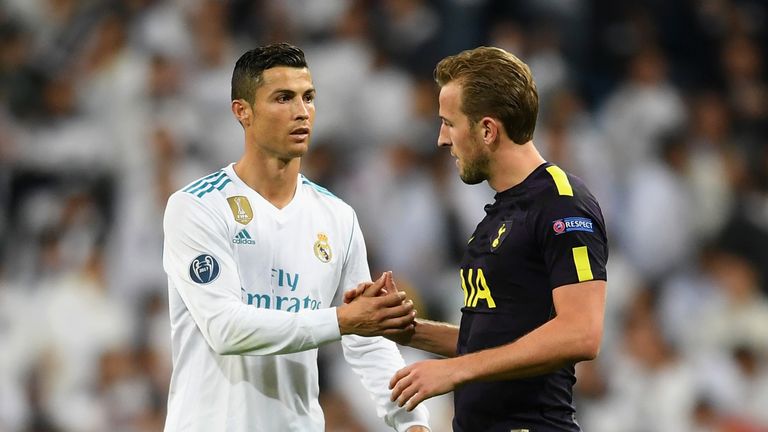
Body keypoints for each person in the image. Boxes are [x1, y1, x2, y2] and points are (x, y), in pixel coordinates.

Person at [162, 43, 430, 432]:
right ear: (243, 111)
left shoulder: (337, 216)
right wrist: (342, 319)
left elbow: (368, 337)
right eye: (283, 98)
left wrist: (412, 423)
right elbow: (225, 328)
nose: (301, 111)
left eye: (308, 98)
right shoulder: (197, 207)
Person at [349, 46, 608, 431]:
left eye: (449, 123)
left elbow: (581, 333)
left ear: (487, 130)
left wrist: (455, 370)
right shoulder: (499, 213)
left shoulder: (561, 204)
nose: (441, 139)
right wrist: (401, 327)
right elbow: (496, 343)